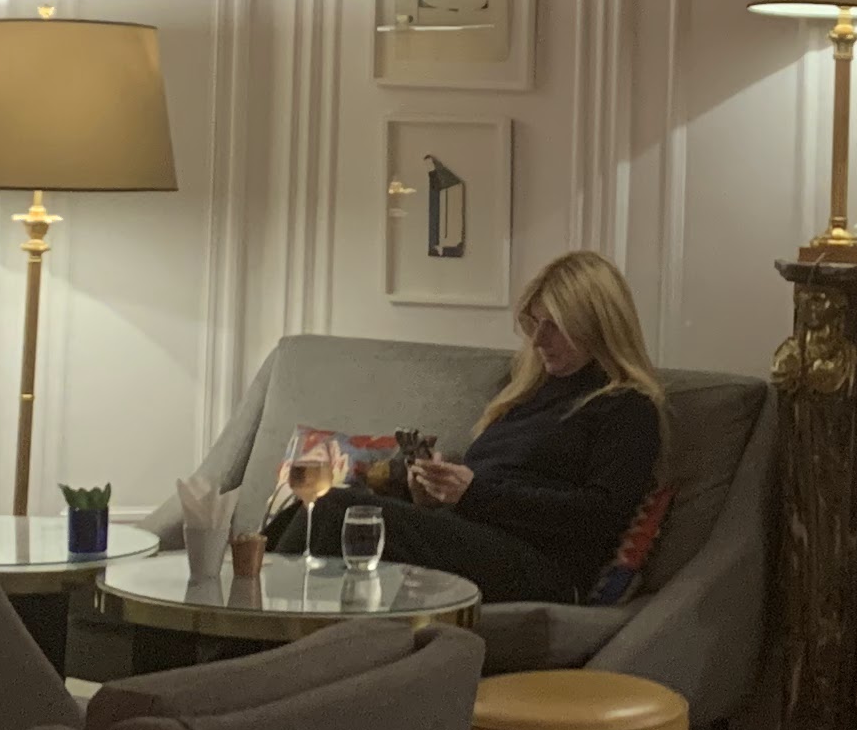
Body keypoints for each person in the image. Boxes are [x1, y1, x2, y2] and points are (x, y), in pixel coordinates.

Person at [268, 250, 665, 604]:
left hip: (544, 566)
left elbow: (598, 516)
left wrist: (474, 493)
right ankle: (244, 627)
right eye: (535, 323)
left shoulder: (627, 408)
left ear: (597, 326)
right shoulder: (527, 395)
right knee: (307, 509)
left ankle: (245, 648)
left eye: (555, 325)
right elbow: (486, 491)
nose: (538, 340)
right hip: (479, 536)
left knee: (336, 511)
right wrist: (433, 495)